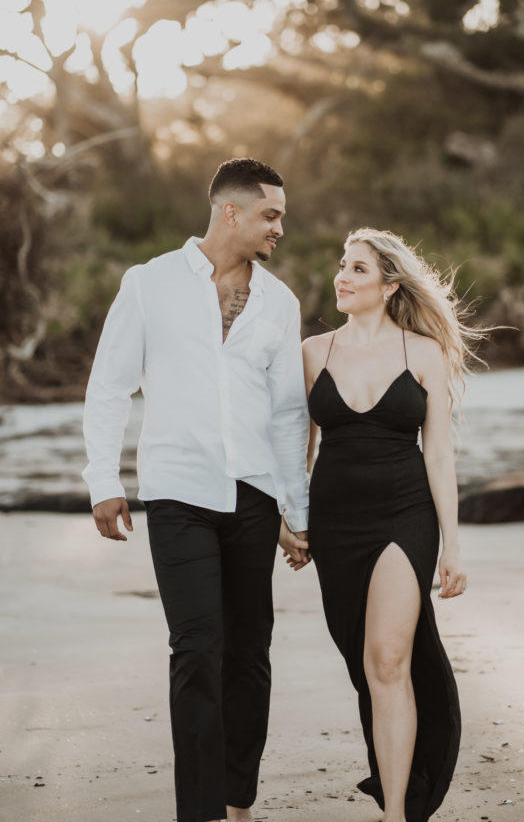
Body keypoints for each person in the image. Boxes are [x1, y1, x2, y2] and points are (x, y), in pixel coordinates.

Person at [82, 158, 310, 822]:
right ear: (230, 211)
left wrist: (297, 511)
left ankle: (238, 801)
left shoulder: (280, 301)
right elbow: (109, 386)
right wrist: (104, 479)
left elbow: (290, 414)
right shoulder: (148, 283)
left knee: (249, 653)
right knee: (195, 647)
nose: (279, 229)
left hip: (254, 498)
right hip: (177, 493)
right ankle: (201, 812)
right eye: (271, 215)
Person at [298, 227, 479, 822]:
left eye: (357, 269)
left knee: (387, 659)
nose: (341, 278)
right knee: (363, 665)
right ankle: (396, 778)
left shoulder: (422, 353)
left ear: (389, 284)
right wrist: (291, 524)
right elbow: (296, 449)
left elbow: (439, 454)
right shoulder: (312, 353)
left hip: (407, 516)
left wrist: (452, 546)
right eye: (342, 266)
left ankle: (397, 811)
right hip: (334, 524)